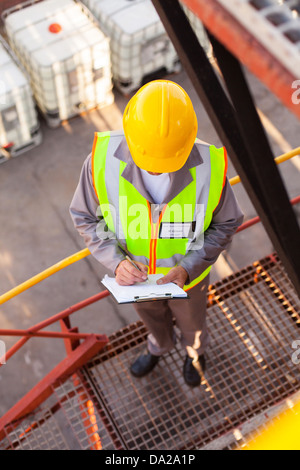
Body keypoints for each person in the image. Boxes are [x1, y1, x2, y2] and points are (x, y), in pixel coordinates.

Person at [70, 80, 243, 387]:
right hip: (135, 282)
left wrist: (188, 268)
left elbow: (226, 223)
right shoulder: (100, 163)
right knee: (153, 322)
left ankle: (195, 354)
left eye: (165, 163)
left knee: (193, 325)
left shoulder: (210, 169)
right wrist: (117, 262)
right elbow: (84, 217)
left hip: (188, 281)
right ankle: (159, 347)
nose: (156, 170)